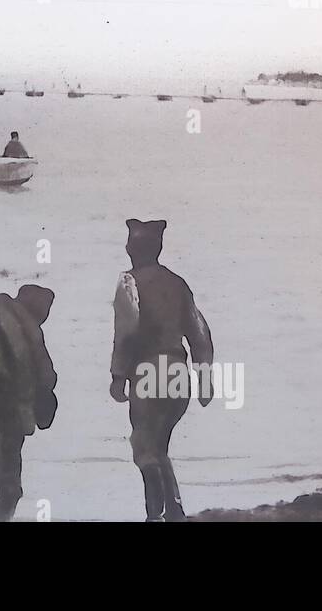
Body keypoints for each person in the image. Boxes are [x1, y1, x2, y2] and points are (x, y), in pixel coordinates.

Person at [108, 219, 214, 522]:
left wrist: (117, 375)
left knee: (143, 448)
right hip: (178, 373)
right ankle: (175, 511)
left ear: (132, 249)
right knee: (158, 444)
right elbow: (200, 333)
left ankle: (154, 514)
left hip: (147, 371)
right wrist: (205, 378)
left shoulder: (128, 282)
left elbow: (126, 331)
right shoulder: (178, 283)